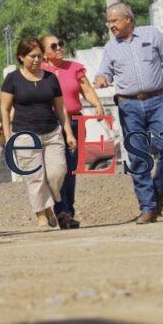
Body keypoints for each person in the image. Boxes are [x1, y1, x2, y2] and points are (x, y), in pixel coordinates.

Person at [94, 2, 163, 224]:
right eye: (109, 21)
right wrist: (102, 78)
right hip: (128, 106)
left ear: (128, 20)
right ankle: (148, 207)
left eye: (114, 20)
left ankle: (159, 192)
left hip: (157, 101)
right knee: (137, 156)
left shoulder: (151, 34)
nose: (110, 25)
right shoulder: (110, 47)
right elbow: (105, 71)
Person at [1, 39, 77, 228]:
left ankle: (50, 203)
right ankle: (42, 215)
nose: (36, 60)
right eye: (31, 56)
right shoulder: (12, 79)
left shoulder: (51, 78)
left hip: (51, 133)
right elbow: (4, 109)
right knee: (34, 177)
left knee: (57, 172)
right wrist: (8, 136)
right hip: (24, 135)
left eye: (38, 56)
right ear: (21, 57)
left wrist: (68, 133)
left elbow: (60, 109)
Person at [40, 34, 104, 229]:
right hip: (52, 124)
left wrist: (97, 105)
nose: (59, 47)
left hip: (76, 122)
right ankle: (61, 210)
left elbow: (87, 89)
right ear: (44, 53)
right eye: (53, 45)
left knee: (71, 170)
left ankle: (67, 211)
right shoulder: (40, 71)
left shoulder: (74, 68)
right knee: (57, 170)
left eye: (61, 44)